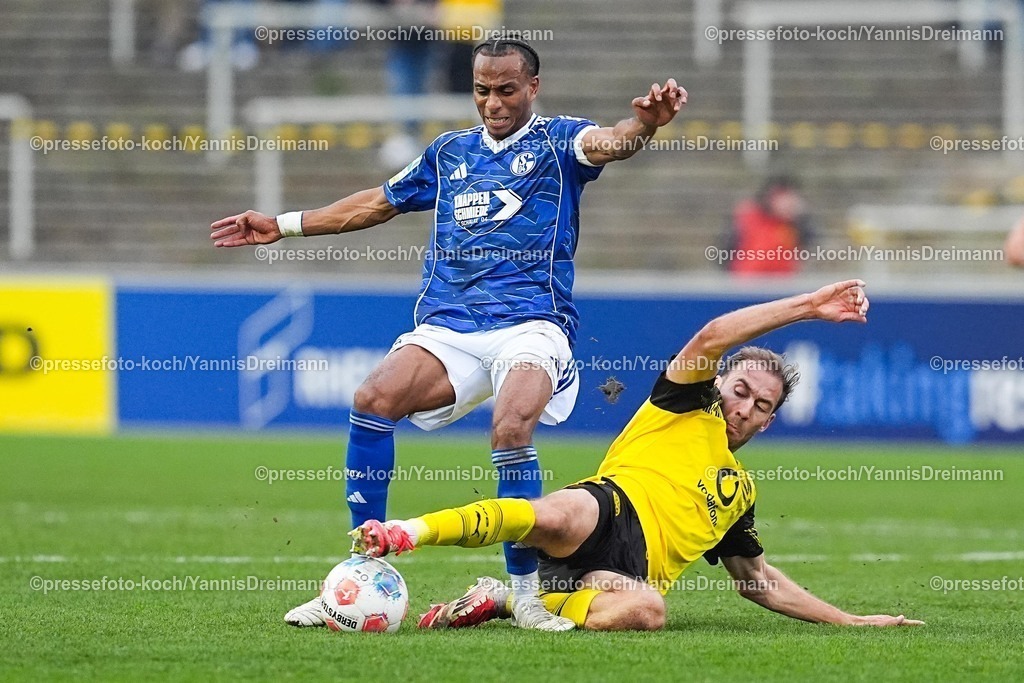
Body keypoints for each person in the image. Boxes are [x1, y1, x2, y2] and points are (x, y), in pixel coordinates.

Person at [210, 37, 687, 630]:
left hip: (531, 324)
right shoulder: (449, 152)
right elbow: (377, 203)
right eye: (482, 90)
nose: (493, 102)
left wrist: (645, 125)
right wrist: (282, 225)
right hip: (451, 326)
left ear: (533, 87)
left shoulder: (560, 141)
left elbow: (612, 141)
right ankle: (358, 570)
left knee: (510, 426)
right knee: (372, 399)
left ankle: (526, 596)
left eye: (506, 90)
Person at [348, 280, 924, 631]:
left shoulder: (739, 494)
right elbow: (713, 336)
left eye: (760, 404)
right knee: (555, 515)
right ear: (719, 385)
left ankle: (506, 600)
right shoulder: (687, 402)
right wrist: (808, 306)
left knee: (647, 612)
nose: (744, 406)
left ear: (769, 421)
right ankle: (404, 533)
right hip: (607, 509)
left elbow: (757, 581)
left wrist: (850, 620)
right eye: (740, 389)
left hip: (621, 575)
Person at [723, 175, 814, 276]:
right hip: (748, 280)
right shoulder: (748, 217)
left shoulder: (794, 226)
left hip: (781, 281)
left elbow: (807, 245)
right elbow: (728, 249)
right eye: (783, 199)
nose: (788, 203)